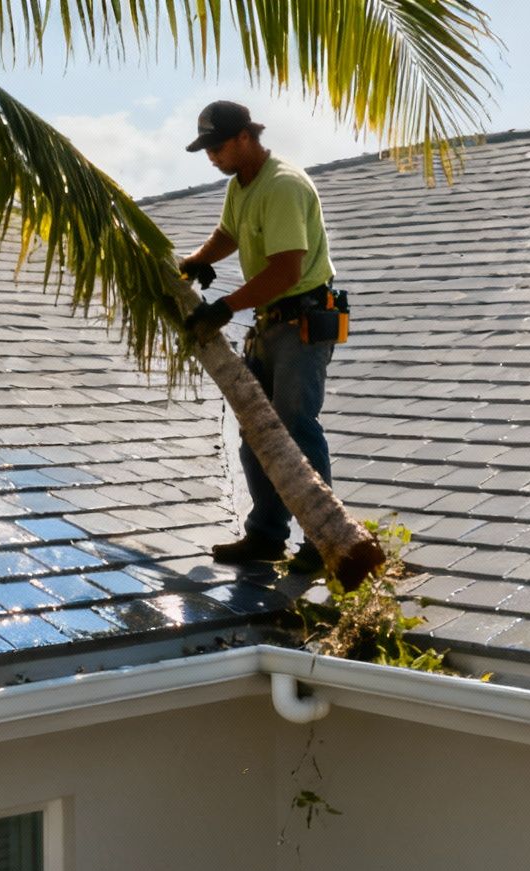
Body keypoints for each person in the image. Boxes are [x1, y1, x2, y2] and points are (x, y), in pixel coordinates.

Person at [177, 100, 339, 572]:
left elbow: (287, 270)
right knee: (256, 433)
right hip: (269, 323)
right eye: (206, 149)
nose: (212, 157)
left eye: (218, 147)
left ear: (246, 137)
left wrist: (226, 306)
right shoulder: (241, 185)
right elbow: (229, 233)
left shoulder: (283, 185)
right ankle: (267, 536)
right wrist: (197, 261)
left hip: (300, 320)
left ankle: (320, 540)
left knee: (296, 427)